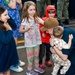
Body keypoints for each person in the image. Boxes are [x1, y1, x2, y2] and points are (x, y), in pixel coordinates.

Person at [19, 1, 45, 75]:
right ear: (26, 10)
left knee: (36, 56)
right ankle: (29, 70)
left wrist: (42, 32)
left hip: (37, 41)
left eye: (34, 9)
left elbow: (42, 25)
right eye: (31, 10)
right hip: (29, 42)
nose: (33, 11)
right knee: (30, 57)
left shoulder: (37, 18)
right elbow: (20, 30)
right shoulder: (25, 20)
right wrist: (26, 29)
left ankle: (36, 67)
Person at [3, 0, 25, 72]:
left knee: (15, 44)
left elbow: (20, 7)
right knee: (12, 44)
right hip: (7, 24)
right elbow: (13, 6)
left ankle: (16, 60)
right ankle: (12, 64)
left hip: (14, 22)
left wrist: (20, 3)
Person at [0, 6, 19, 75]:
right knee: (2, 69)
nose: (7, 16)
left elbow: (14, 25)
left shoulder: (6, 22)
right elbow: (5, 40)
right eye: (5, 15)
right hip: (2, 52)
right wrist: (9, 30)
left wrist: (8, 17)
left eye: (7, 14)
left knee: (7, 67)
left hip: (8, 50)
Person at [39, 5, 56, 69]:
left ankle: (47, 60)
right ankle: (40, 63)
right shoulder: (44, 19)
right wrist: (43, 32)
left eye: (53, 12)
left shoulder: (55, 20)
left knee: (49, 51)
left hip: (49, 40)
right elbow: (40, 27)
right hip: (43, 40)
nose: (51, 14)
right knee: (42, 52)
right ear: (46, 12)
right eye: (49, 12)